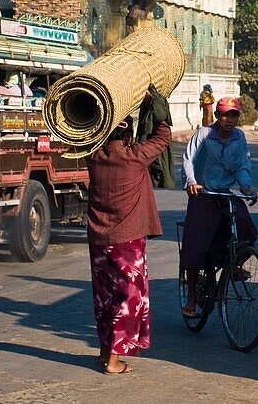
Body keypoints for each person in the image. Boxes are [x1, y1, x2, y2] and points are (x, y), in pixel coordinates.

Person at [86, 108, 173, 374]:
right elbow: (163, 136)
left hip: (99, 239)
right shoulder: (134, 157)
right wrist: (157, 107)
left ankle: (104, 352)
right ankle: (113, 360)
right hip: (127, 241)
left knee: (104, 297)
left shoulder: (93, 157)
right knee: (126, 299)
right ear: (126, 135)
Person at [180, 97, 257, 318]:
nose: (229, 120)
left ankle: (232, 262)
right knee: (196, 244)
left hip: (224, 193)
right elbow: (188, 159)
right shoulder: (204, 134)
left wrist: (245, 186)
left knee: (243, 223)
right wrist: (192, 182)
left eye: (233, 116)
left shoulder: (239, 137)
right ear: (217, 116)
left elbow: (243, 163)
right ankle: (192, 297)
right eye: (225, 115)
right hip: (203, 194)